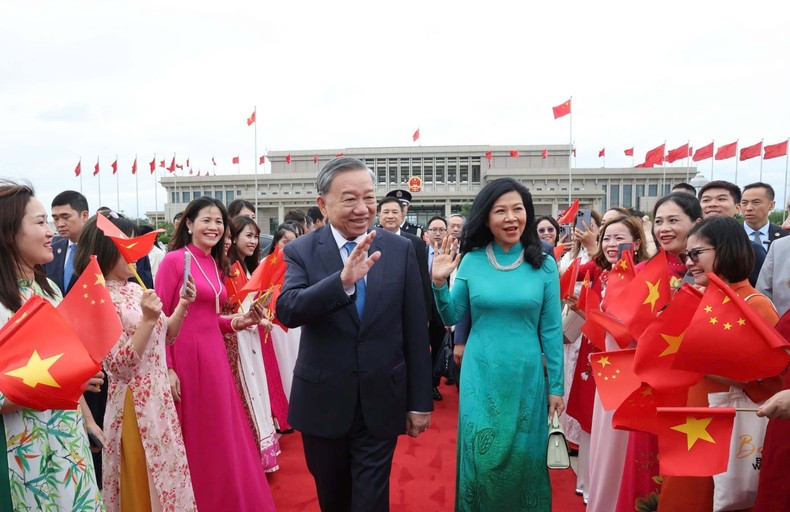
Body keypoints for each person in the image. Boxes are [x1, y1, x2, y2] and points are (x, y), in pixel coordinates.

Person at [276, 157, 432, 511]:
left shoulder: (400, 249)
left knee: (371, 501)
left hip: (381, 400)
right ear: (323, 204)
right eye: (349, 199)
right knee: (334, 500)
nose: (362, 209)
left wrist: (419, 401)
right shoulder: (300, 251)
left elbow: (413, 326)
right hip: (323, 401)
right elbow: (288, 309)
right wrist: (342, 282)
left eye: (369, 197)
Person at [431, 177, 564, 511]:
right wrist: (437, 283)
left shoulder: (544, 265)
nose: (511, 218)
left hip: (526, 374)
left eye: (518, 209)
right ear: (486, 218)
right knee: (481, 455)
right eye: (500, 210)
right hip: (480, 373)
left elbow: (551, 330)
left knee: (523, 456)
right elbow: (454, 313)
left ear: (528, 214)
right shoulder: (472, 261)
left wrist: (557, 387)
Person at [155, 196, 276, 511]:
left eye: (219, 222)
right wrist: (167, 368)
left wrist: (242, 320)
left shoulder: (214, 263)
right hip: (184, 356)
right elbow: (160, 321)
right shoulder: (173, 261)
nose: (214, 227)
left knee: (221, 435)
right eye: (206, 220)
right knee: (198, 436)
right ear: (190, 224)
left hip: (215, 358)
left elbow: (211, 320)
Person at [74, 214, 198, 511]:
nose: (134, 254)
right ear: (104, 248)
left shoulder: (135, 289)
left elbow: (167, 336)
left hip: (159, 400)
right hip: (132, 404)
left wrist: (182, 305)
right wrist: (147, 320)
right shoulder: (98, 298)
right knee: (143, 482)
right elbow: (119, 366)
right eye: (125, 245)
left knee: (167, 477)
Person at [659, 215, 781, 512]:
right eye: (687, 255)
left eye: (697, 253)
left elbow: (774, 380)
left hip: (726, 424)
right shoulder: (703, 299)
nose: (689, 262)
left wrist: (698, 362)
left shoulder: (754, 304)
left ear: (726, 249)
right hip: (696, 417)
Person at [0, 181, 103, 511]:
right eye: (41, 221)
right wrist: (53, 380)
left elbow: (62, 368)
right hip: (21, 453)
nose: (51, 231)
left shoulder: (51, 293)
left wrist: (88, 420)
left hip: (68, 445)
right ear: (8, 231)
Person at [576, 215, 649, 512]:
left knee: (624, 444)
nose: (610, 244)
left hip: (631, 372)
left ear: (638, 242)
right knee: (605, 441)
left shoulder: (645, 277)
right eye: (606, 238)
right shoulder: (608, 275)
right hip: (609, 369)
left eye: (619, 238)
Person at [225, 215, 281, 471]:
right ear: (233, 236)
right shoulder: (228, 267)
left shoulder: (249, 267)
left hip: (251, 337)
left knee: (258, 386)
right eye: (247, 235)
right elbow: (232, 306)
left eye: (256, 236)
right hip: (236, 338)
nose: (253, 241)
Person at [699, 180, 766, 285]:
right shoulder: (692, 249)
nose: (712, 204)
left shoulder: (751, 251)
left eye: (721, 199)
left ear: (737, 208)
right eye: (706, 200)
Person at [45, 190, 89, 294]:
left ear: (84, 216)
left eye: (65, 217)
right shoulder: (51, 251)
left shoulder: (101, 249)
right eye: (55, 219)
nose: (60, 224)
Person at [424, 215, 450, 400]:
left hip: (442, 311)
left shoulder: (453, 255)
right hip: (422, 309)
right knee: (419, 349)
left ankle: (433, 384)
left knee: (439, 347)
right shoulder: (418, 251)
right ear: (427, 233)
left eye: (442, 230)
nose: (438, 233)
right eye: (434, 230)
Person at [741, 182, 788, 254]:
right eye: (744, 203)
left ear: (771, 205)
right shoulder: (729, 235)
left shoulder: (785, 235)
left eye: (756, 202)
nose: (748, 208)